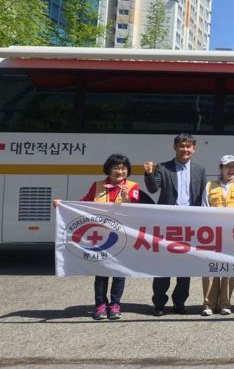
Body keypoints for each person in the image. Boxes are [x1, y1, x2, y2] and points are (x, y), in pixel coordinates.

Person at [53, 154, 140, 320]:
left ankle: (115, 305)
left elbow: (137, 208)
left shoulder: (132, 186)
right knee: (101, 272)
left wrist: (128, 197)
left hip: (122, 236)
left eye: (123, 168)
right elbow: (83, 203)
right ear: (108, 169)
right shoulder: (97, 185)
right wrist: (63, 205)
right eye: (116, 168)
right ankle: (100, 305)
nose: (120, 171)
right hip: (101, 236)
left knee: (119, 272)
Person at [144, 133, 207, 316]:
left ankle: (180, 302)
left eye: (188, 146)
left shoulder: (199, 169)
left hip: (190, 224)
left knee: (184, 265)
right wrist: (149, 174)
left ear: (194, 149)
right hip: (167, 223)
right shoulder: (163, 167)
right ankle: (159, 303)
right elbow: (153, 188)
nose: (185, 149)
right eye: (181, 146)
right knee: (163, 265)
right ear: (175, 148)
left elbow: (202, 196)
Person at [199, 155, 234, 316]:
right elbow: (204, 208)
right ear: (221, 168)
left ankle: (225, 303)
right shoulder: (210, 185)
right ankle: (208, 304)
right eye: (227, 166)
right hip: (213, 233)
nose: (231, 170)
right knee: (211, 268)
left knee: (230, 269)